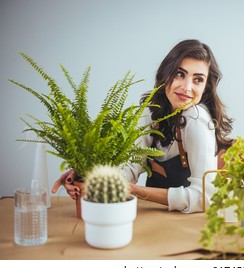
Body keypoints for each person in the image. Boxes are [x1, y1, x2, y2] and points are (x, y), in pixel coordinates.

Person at [52, 39, 234, 213]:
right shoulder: (151, 111)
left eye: (198, 79)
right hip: (154, 215)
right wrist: (86, 173)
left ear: (206, 88)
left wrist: (133, 190)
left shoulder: (197, 120)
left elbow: (205, 198)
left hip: (191, 222)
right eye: (180, 74)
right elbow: (130, 167)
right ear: (166, 74)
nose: (187, 87)